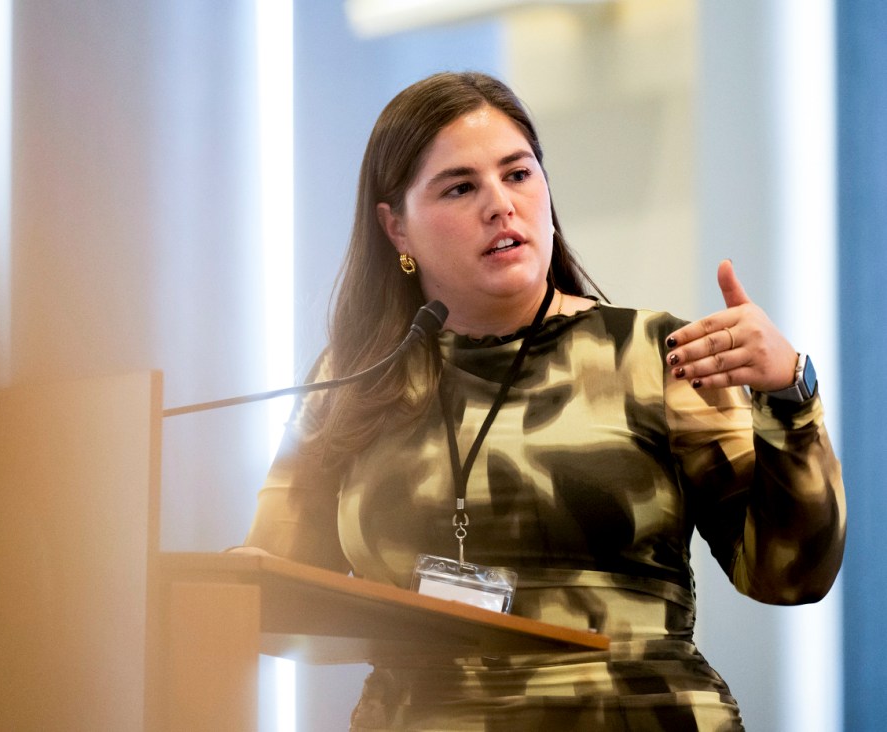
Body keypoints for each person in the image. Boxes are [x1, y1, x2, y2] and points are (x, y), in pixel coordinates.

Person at [238, 71, 845, 730]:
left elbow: (790, 578)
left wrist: (791, 391)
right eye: (461, 186)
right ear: (397, 229)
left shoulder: (660, 356)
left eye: (518, 175)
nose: (500, 204)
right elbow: (275, 598)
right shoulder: (354, 381)